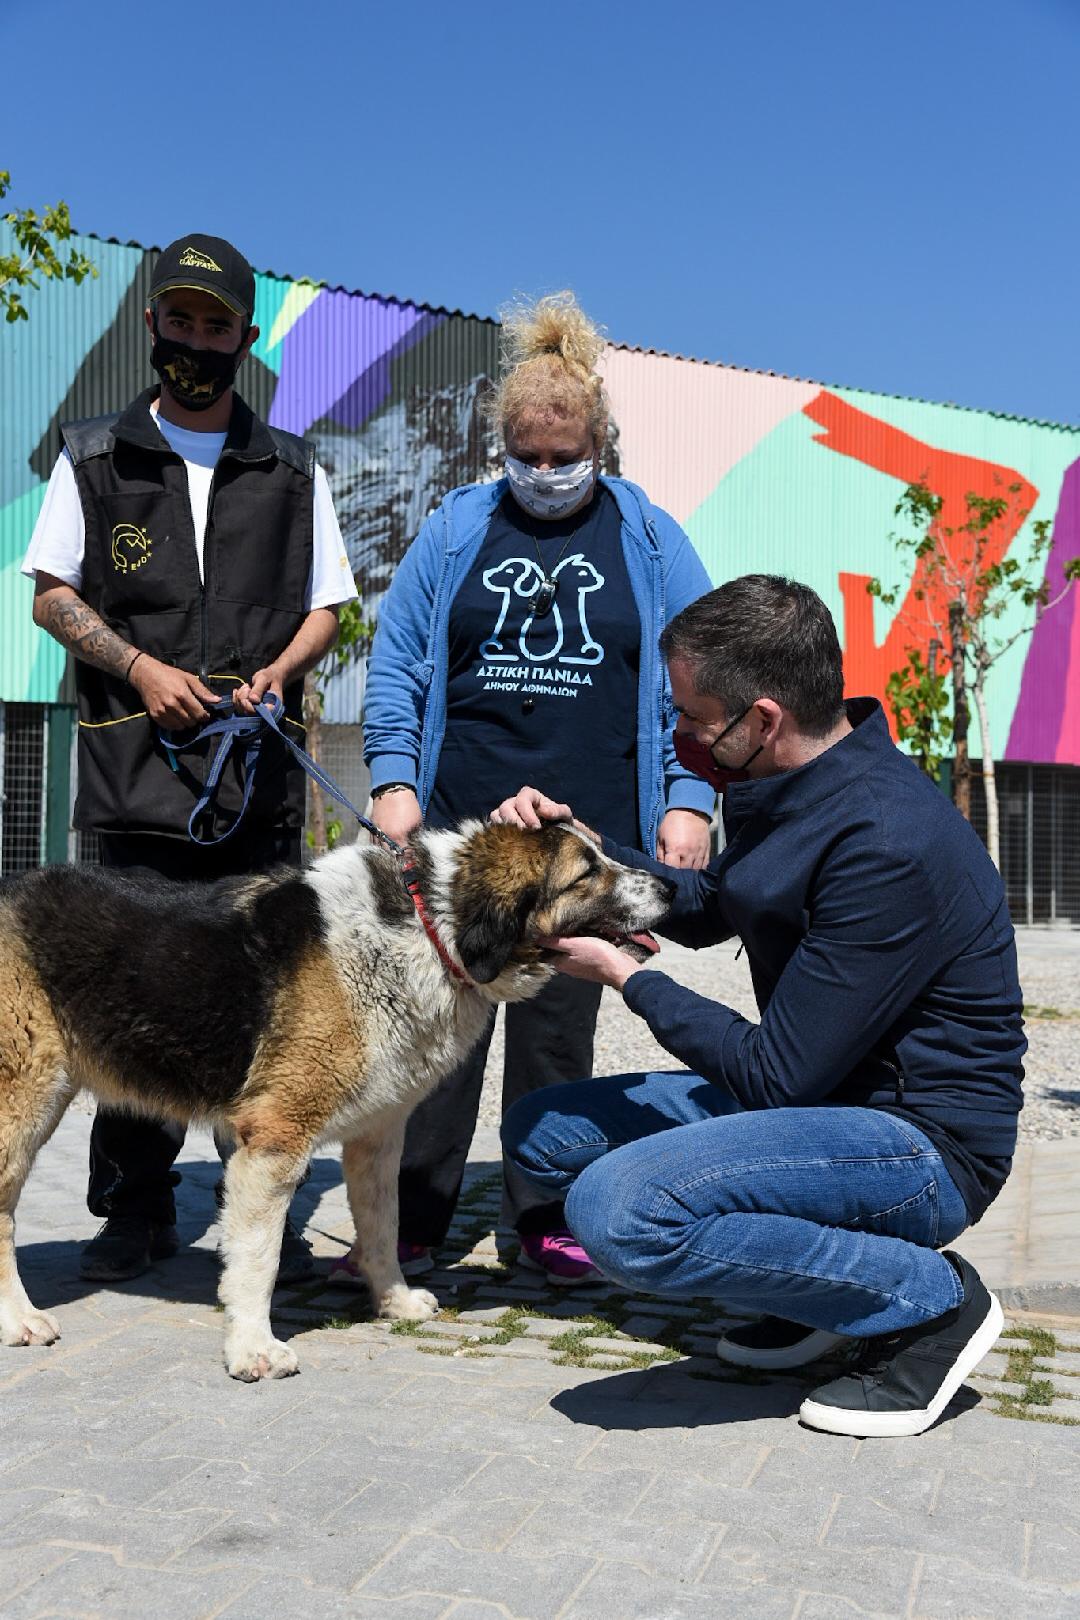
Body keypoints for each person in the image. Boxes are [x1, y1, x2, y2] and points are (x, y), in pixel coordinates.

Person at [496, 573, 1024, 1437]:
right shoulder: (792, 784)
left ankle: (928, 1304)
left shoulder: (885, 840)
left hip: (919, 1143)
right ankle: (820, 1293)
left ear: (763, 718)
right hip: (824, 1101)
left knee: (618, 1213)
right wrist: (587, 849)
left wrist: (627, 976)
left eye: (695, 719)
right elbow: (714, 906)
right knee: (543, 1133)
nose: (682, 737)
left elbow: (776, 1075)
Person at [22, 232, 358, 1284]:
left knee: (262, 1005)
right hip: (134, 776)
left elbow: (328, 609)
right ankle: (132, 1210)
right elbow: (50, 595)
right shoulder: (91, 456)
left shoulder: (293, 468)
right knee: (131, 995)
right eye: (181, 320)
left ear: (245, 338)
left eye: (217, 326)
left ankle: (260, 1213)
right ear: (152, 323)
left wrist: (278, 672)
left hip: (254, 783)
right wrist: (139, 666)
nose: (197, 341)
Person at [361, 291, 715, 1285]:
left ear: (600, 444)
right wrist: (393, 782)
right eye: (528, 455)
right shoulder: (456, 529)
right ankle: (409, 1223)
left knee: (557, 1031)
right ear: (502, 447)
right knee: (437, 1030)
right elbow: (397, 664)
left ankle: (546, 1218)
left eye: (567, 456)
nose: (547, 472)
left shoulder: (650, 538)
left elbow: (703, 675)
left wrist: (688, 799)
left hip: (587, 839)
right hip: (464, 835)